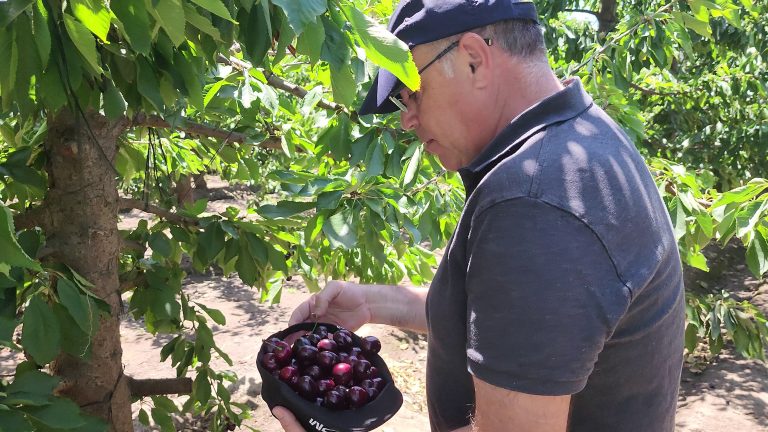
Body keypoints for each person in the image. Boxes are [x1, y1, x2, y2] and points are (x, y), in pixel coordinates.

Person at [272, 0, 685, 431]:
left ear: (473, 59)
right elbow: (511, 323)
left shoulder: (535, 203)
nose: (406, 121)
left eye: (411, 92)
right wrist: (375, 302)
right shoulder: (581, 139)